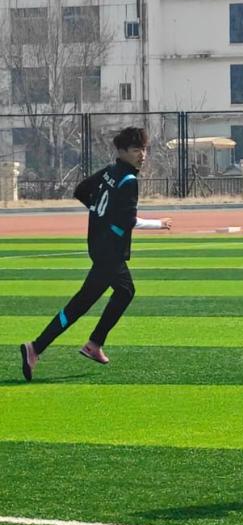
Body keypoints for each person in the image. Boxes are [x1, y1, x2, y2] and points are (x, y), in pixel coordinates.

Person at [19, 127, 171, 381]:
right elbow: (127, 221)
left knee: (123, 291)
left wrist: (98, 212)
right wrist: (159, 224)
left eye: (144, 149)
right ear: (122, 152)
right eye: (136, 150)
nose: (142, 155)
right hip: (110, 252)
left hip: (98, 246)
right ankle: (38, 347)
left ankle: (91, 344)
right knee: (84, 303)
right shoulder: (129, 181)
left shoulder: (110, 172)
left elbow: (81, 191)